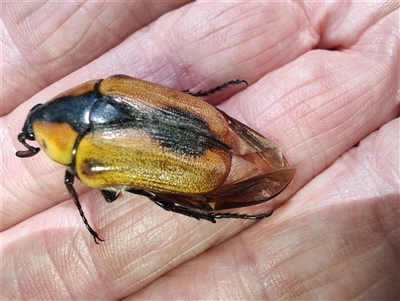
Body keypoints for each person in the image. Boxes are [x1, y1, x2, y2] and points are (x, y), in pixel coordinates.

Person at [2, 2, 398, 299]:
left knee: (158, 197)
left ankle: (221, 206)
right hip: (201, 139)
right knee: (157, 192)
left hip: (200, 152)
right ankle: (224, 204)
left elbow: (101, 189)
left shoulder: (88, 163)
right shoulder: (111, 88)